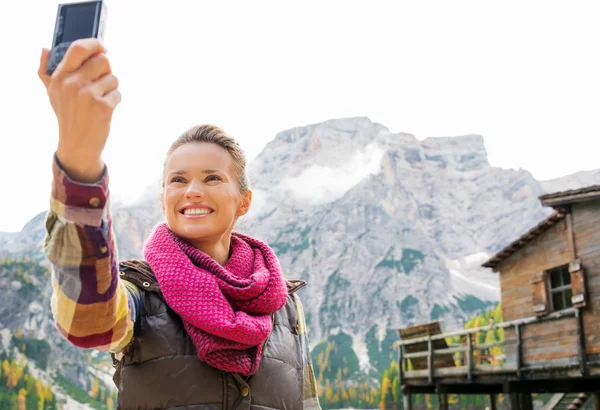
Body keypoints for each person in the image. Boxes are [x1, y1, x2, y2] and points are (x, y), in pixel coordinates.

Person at [38, 38, 321, 410]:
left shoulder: (284, 304)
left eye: (212, 178)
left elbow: (307, 403)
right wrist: (79, 160)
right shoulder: (140, 292)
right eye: (177, 180)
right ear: (163, 199)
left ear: (244, 201)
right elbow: (87, 321)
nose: (192, 191)